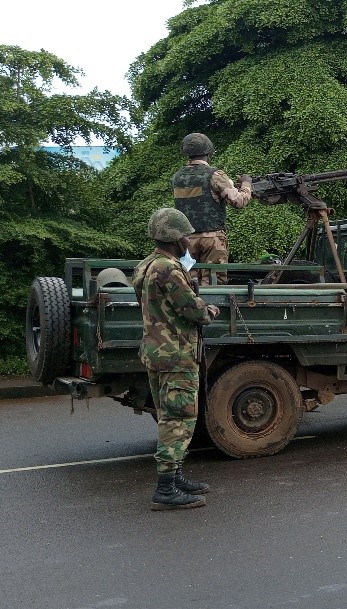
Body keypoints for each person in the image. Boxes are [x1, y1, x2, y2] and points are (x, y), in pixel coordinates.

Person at [132, 208, 220, 511]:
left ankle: (176, 475)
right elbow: (192, 311)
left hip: (156, 352)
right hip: (176, 355)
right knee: (179, 418)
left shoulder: (147, 265)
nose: (188, 241)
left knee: (169, 414)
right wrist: (208, 311)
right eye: (184, 235)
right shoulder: (168, 268)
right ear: (173, 237)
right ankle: (166, 489)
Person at [172, 132, 253, 285]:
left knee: (189, 284)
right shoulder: (215, 175)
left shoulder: (177, 177)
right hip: (212, 240)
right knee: (214, 286)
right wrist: (246, 184)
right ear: (209, 151)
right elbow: (239, 201)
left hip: (185, 241)